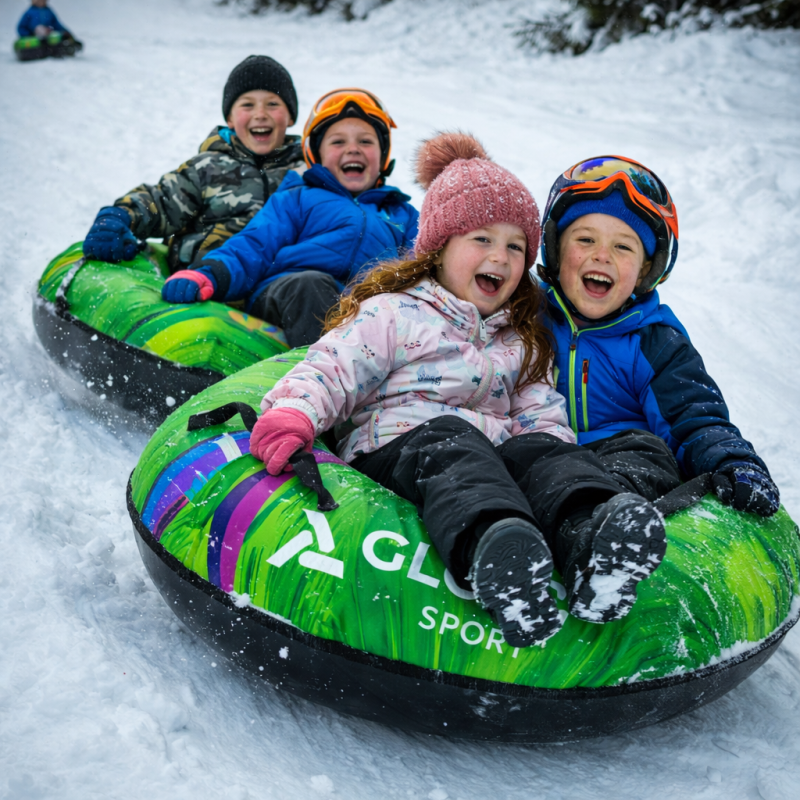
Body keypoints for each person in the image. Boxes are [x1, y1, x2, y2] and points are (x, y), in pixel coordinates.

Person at [245, 133, 673, 648]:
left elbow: (541, 415)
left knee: (541, 450)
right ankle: (499, 556)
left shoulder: (521, 339)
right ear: (439, 246)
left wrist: (554, 463)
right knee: (450, 438)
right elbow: (333, 367)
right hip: (401, 450)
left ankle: (591, 545)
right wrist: (294, 413)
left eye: (515, 246)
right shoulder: (394, 312)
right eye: (482, 239)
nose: (501, 257)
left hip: (487, 461)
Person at [537, 155, 780, 524]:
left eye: (623, 247)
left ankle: (616, 524)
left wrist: (734, 461)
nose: (602, 255)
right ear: (556, 249)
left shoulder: (657, 343)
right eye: (585, 239)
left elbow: (695, 417)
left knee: (647, 451)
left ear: (644, 271)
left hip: (622, 467)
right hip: (544, 460)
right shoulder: (526, 317)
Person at [160, 88, 419, 347]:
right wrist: (207, 274)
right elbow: (254, 245)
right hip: (287, 293)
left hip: (364, 308)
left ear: (383, 155)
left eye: (365, 141)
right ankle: (320, 367)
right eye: (338, 142)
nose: (353, 149)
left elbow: (425, 264)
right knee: (310, 286)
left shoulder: (402, 214)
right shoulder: (296, 198)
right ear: (316, 156)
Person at [82, 56, 304, 272]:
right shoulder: (207, 168)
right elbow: (162, 202)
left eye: (272, 104)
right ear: (230, 119)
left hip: (277, 281)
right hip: (203, 278)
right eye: (247, 105)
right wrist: (121, 216)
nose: (260, 114)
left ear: (291, 117)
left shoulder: (305, 169)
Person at [17, 0, 81, 56]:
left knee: (56, 38)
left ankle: (63, 48)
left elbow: (57, 25)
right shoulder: (29, 12)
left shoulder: (49, 12)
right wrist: (29, 34)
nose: (41, 1)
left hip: (48, 37)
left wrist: (66, 32)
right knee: (39, 31)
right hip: (34, 38)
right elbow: (21, 27)